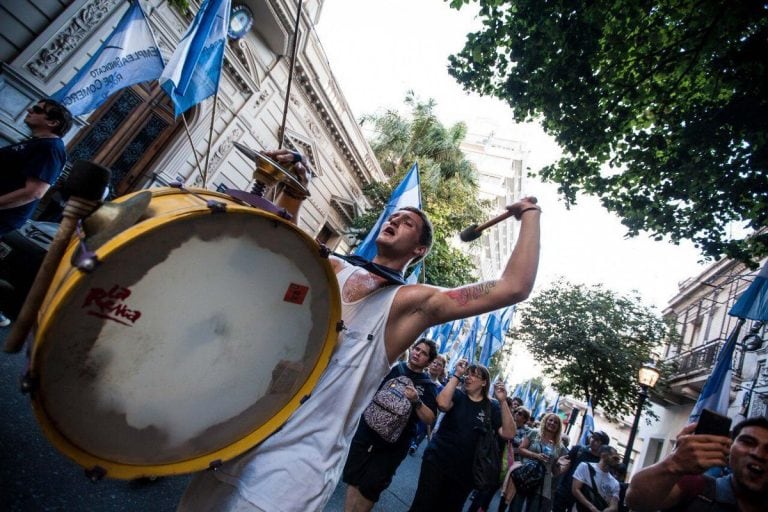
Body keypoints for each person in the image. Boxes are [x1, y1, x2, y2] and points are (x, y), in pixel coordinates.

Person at [177, 149, 542, 512]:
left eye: (407, 222)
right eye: (393, 215)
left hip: (295, 466)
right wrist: (293, 186)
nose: (394, 220)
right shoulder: (332, 268)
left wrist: (528, 213)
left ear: (419, 249)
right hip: (241, 436)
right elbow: (277, 247)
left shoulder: (409, 304)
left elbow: (513, 287)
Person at [342, 338, 438, 511]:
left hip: (394, 445)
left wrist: (417, 401)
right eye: (417, 349)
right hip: (367, 431)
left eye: (424, 353)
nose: (417, 353)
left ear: (429, 362)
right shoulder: (394, 368)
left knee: (371, 487)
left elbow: (430, 419)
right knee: (354, 477)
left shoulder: (428, 386)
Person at [0, 99, 72, 326]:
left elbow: (34, 192)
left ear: (52, 122)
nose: (30, 110)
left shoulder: (51, 149)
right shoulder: (38, 143)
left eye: (38, 110)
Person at [409, 362, 515, 512]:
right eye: (468, 373)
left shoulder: (492, 407)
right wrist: (457, 374)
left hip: (466, 474)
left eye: (474, 374)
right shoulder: (458, 395)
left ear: (484, 382)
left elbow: (509, 433)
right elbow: (442, 404)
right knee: (422, 505)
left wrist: (503, 401)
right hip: (437, 461)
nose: (468, 377)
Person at [626, 416, 768, 512]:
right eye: (748, 442)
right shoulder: (696, 487)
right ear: (728, 448)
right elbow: (637, 499)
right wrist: (674, 463)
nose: (758, 454)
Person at [504, 412, 570, 512]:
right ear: (545, 421)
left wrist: (559, 465)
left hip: (542, 482)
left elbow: (555, 472)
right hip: (526, 475)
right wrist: (536, 456)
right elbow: (521, 449)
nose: (552, 423)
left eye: (556, 422)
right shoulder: (534, 433)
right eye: (550, 420)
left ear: (559, 427)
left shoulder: (560, 447)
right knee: (515, 508)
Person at [552, 429, 611, 512]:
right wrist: (557, 464)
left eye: (597, 440)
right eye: (593, 437)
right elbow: (564, 468)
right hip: (564, 492)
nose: (593, 440)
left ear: (603, 445)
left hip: (581, 500)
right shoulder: (579, 450)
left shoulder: (601, 462)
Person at [408, 353, 447, 455]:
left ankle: (415, 444)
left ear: (442, 369)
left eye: (439, 364)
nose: (435, 365)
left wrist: (435, 426)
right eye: (434, 362)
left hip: (423, 421)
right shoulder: (418, 377)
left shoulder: (442, 389)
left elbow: (438, 410)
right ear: (429, 363)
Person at [571, 445, 621, 512]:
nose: (616, 461)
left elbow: (614, 506)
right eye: (614, 458)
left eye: (617, 459)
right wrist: (591, 507)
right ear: (603, 455)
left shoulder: (615, 483)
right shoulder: (585, 467)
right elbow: (575, 489)